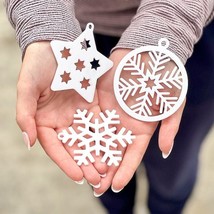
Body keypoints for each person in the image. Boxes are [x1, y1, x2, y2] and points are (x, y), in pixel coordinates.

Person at [6, 0, 214, 213]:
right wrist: (45, 21)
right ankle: (118, 206)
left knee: (173, 171)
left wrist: (167, 24)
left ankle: (167, 207)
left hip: (181, 40)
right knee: (102, 169)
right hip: (80, 41)